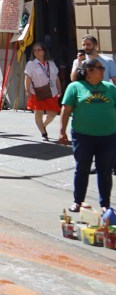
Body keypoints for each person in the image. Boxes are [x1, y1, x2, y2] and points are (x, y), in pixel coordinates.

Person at [57, 58, 116, 212]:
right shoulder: (75, 87)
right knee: (82, 168)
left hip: (108, 136)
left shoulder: (110, 88)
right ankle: (78, 201)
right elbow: (66, 110)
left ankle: (105, 205)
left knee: (105, 171)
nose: (103, 70)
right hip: (83, 136)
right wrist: (62, 131)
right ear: (89, 71)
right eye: (100, 68)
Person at [24, 43, 61, 140]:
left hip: (51, 91)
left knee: (52, 113)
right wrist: (27, 91)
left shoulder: (51, 63)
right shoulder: (31, 64)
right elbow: (27, 78)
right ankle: (43, 133)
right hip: (37, 92)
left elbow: (56, 78)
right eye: (34, 50)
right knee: (38, 112)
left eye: (39, 50)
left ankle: (43, 125)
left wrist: (59, 89)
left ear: (44, 51)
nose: (36, 52)